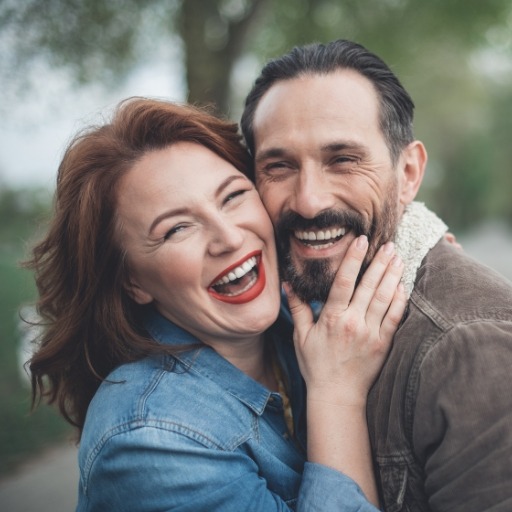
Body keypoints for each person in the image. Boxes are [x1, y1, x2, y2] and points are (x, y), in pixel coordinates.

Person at [27, 97, 407, 511]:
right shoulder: (150, 439)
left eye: (232, 196)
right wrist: (336, 393)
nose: (228, 237)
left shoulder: (295, 312)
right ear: (132, 281)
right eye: (177, 229)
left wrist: (426, 252)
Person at [241, 38, 512, 512]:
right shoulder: (278, 305)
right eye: (279, 166)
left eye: (342, 160)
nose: (308, 200)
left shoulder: (469, 347)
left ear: (407, 174)